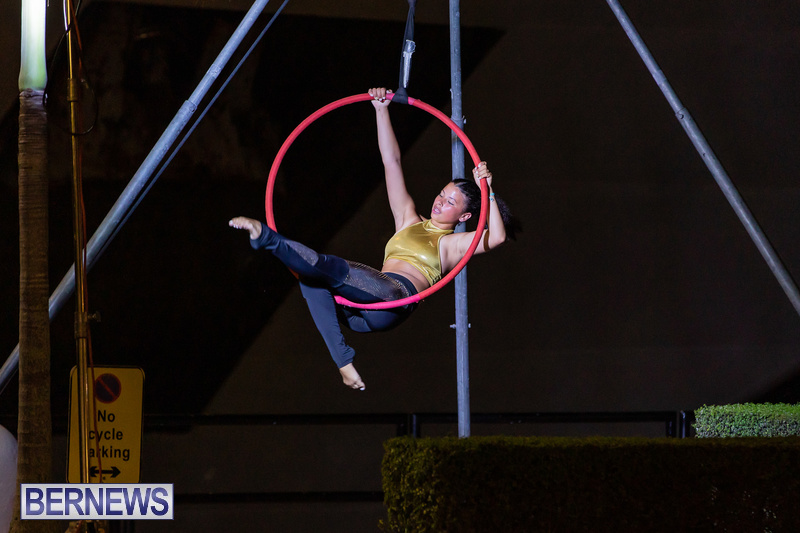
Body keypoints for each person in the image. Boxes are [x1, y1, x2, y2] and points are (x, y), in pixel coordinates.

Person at [230, 87, 516, 391]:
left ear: (464, 216)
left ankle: (266, 238)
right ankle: (344, 362)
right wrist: (381, 110)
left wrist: (487, 190)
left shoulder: (452, 245)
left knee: (328, 266)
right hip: (362, 308)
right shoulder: (407, 218)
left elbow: (497, 237)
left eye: (450, 202)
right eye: (441, 194)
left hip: (392, 299)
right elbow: (391, 162)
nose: (439, 202)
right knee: (310, 279)